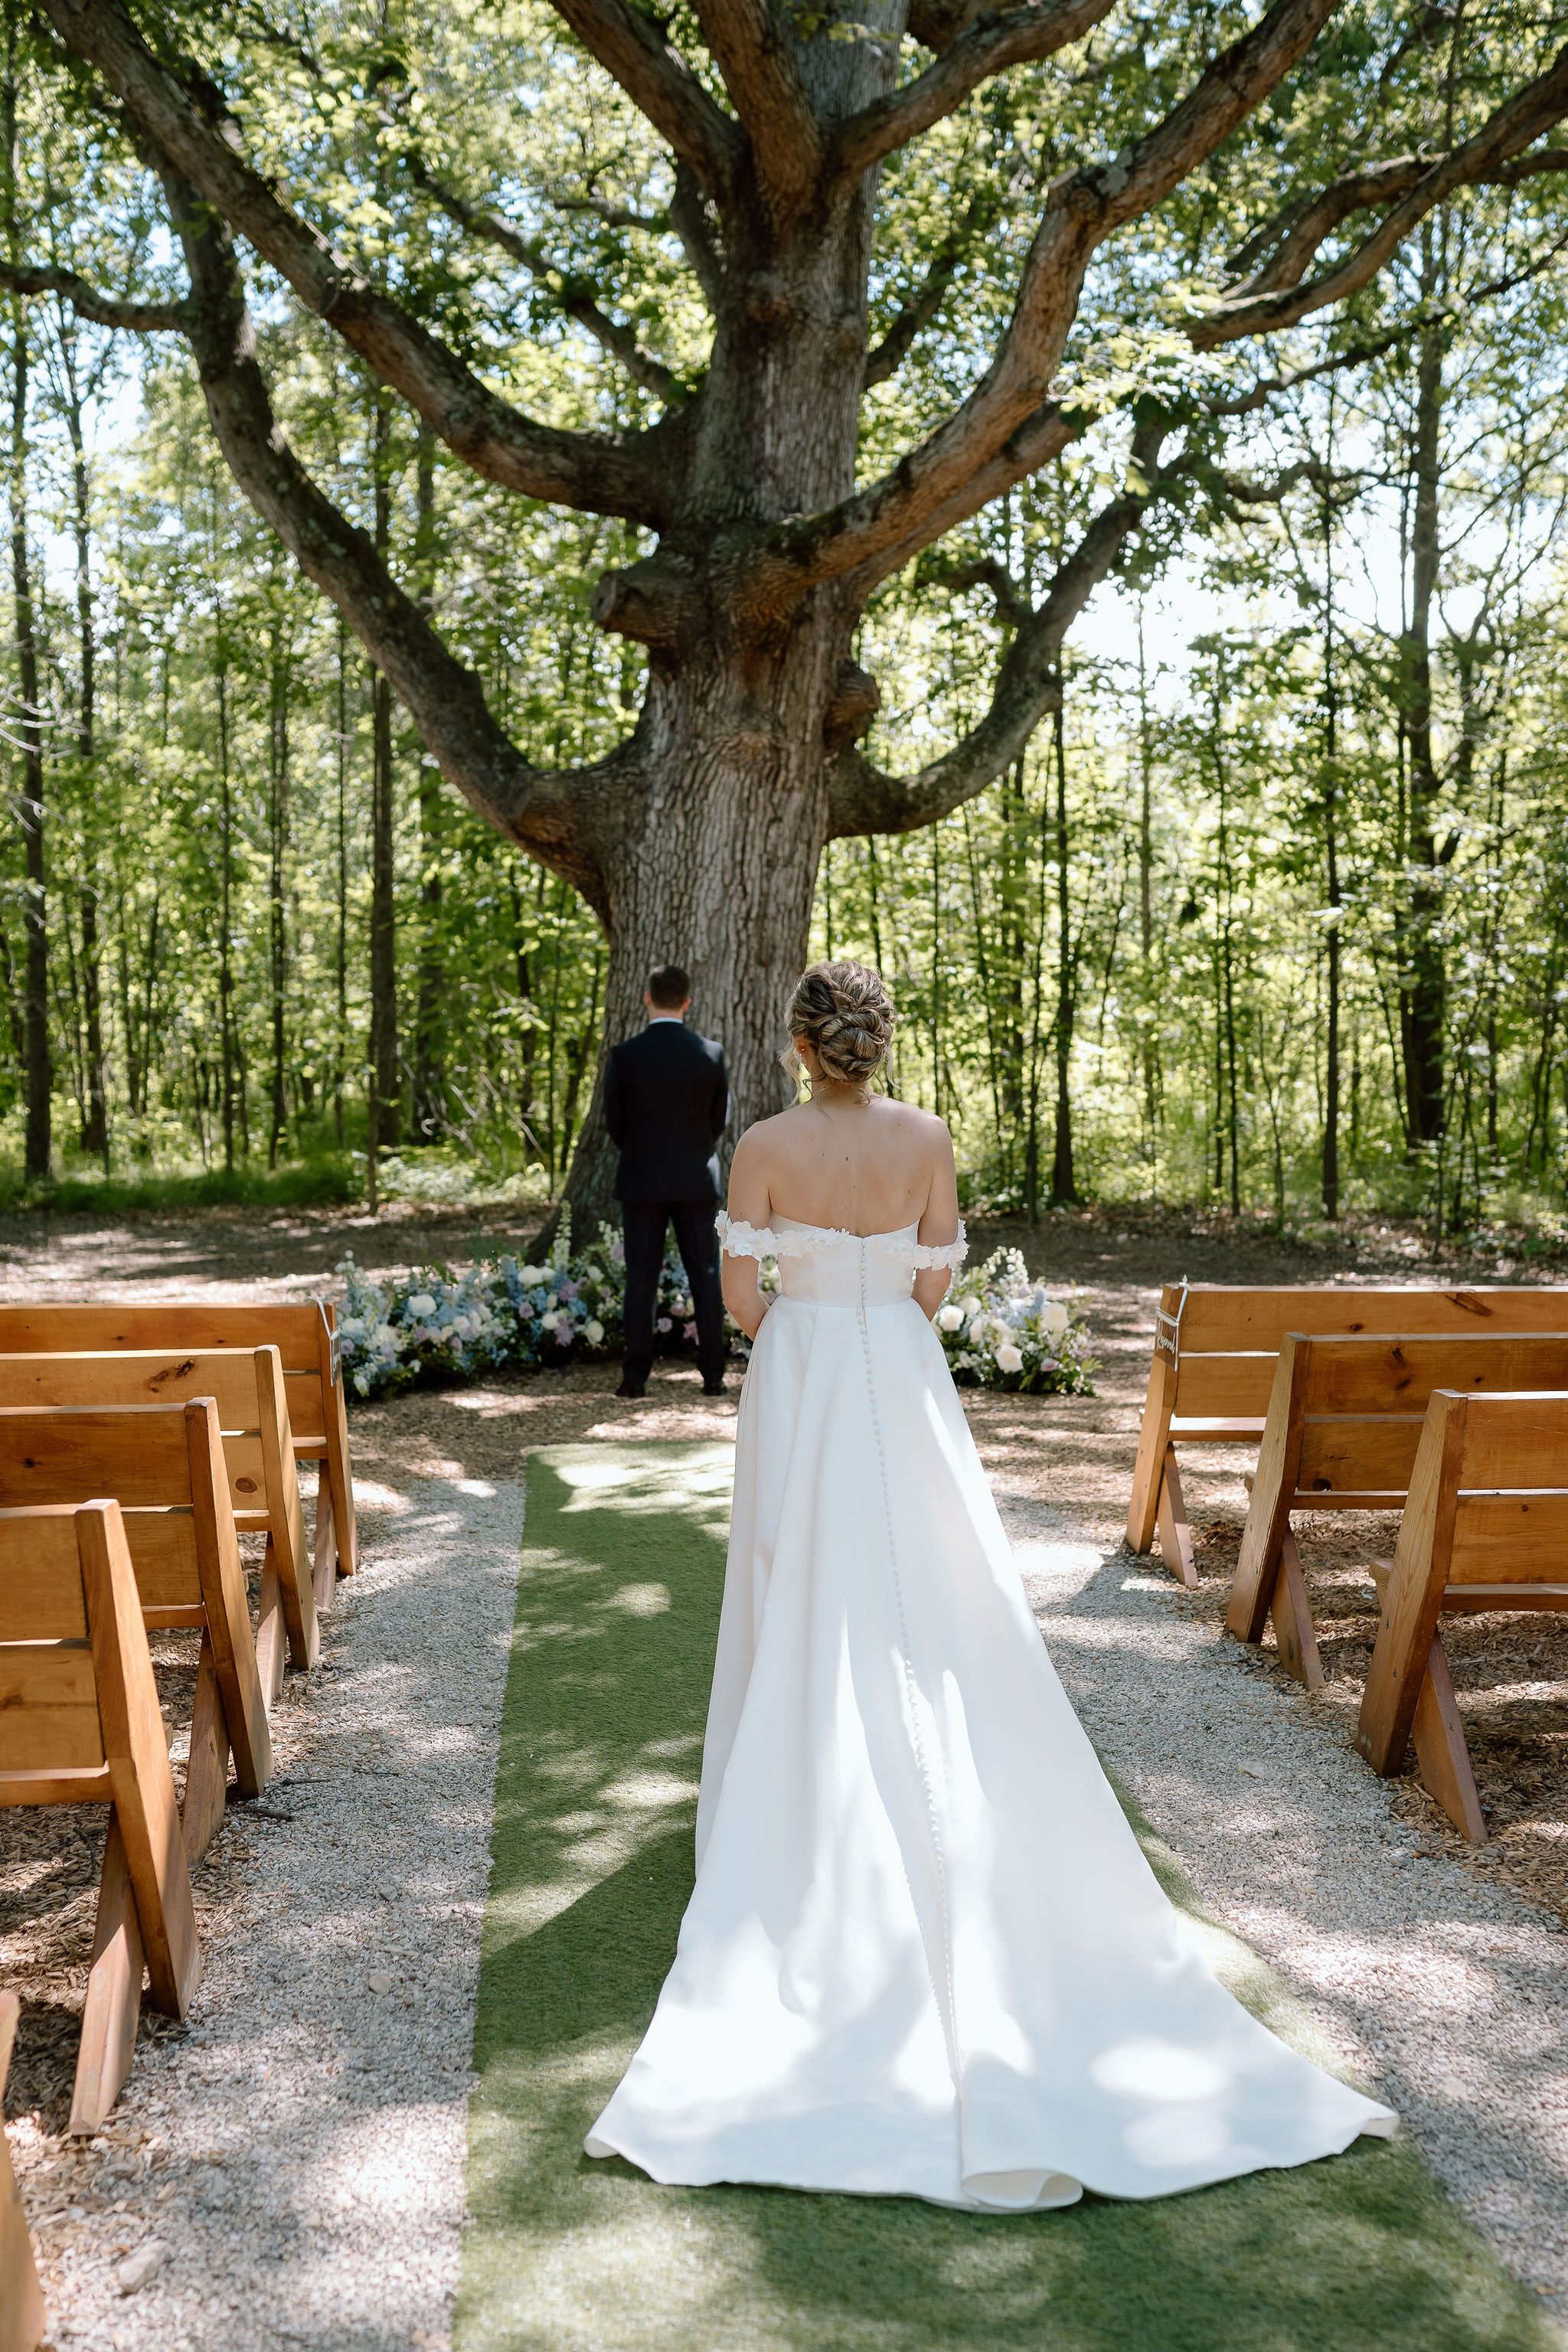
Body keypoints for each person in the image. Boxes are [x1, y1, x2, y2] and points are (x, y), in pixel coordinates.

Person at [586, 959, 1394, 2210]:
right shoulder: (926, 1137)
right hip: (900, 1371)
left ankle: (790, 1779)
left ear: (801, 1044)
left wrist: (806, 1326)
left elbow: (739, 1296)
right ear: (874, 1040)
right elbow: (932, 1280)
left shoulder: (761, 1142)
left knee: (797, 1574)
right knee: (931, 1580)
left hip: (803, 1369)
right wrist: (871, 1321)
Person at [603, 962, 729, 1401]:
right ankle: (713, 1375)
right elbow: (718, 1121)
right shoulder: (711, 1054)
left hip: (642, 1179)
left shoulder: (625, 1056)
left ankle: (634, 1378)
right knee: (706, 1274)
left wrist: (642, 1154)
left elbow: (613, 1123)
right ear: (687, 1002)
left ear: (647, 998)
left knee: (641, 1277)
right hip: (696, 1179)